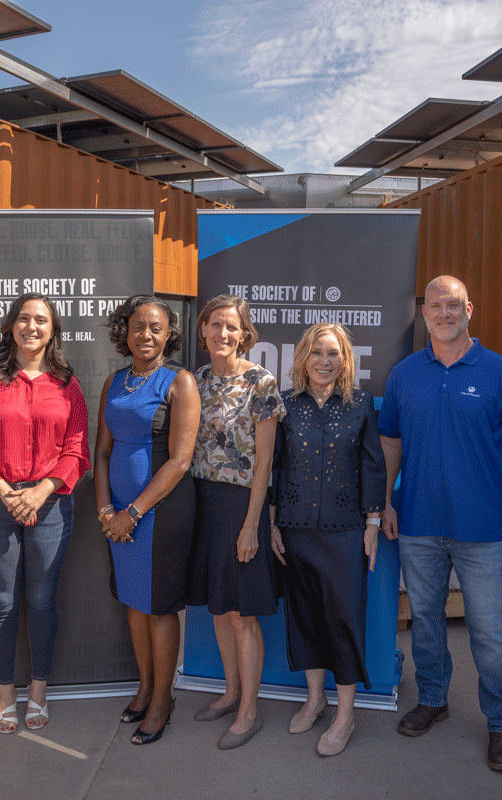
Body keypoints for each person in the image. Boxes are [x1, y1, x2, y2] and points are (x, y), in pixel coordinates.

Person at [378, 275, 502, 773]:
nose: (444, 313)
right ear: (423, 313)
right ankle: (433, 699)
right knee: (425, 621)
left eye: (453, 305)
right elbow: (390, 444)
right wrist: (385, 501)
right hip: (418, 523)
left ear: (470, 309)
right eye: (435, 306)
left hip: (482, 528)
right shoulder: (405, 373)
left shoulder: (499, 372)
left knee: (490, 629)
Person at [0, 293, 91, 734]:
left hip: (50, 507)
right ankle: (5, 696)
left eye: (42, 321)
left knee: (42, 601)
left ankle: (38, 691)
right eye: (25, 319)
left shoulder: (67, 384)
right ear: (11, 325)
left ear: (53, 331)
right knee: (2, 604)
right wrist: (6, 492)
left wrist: (41, 491)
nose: (33, 327)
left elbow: (77, 451)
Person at [269, 323, 386, 757]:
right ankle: (316, 698)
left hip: (344, 531)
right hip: (296, 528)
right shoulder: (286, 405)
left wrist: (373, 523)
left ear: (345, 360)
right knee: (304, 617)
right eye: (316, 352)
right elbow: (276, 466)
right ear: (303, 357)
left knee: (343, 619)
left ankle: (345, 713)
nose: (324, 360)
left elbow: (373, 465)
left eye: (333, 353)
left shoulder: (359, 407)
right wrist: (274, 521)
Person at [94, 295, 200, 746]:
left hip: (160, 512)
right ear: (126, 332)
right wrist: (106, 511)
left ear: (168, 333)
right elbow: (101, 453)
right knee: (135, 604)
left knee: (158, 607)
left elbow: (179, 461)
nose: (146, 335)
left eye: (156, 328)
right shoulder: (114, 382)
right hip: (117, 515)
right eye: (138, 327)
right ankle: (144, 685)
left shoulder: (180, 382)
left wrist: (132, 512)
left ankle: (162, 699)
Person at [187, 294, 285, 750]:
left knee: (244, 614)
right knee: (221, 609)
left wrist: (251, 526)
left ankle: (250, 711)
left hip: (243, 505)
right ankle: (229, 693)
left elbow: (265, 461)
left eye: (232, 327)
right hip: (203, 503)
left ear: (244, 334)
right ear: (202, 330)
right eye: (215, 325)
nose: (223, 334)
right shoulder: (199, 379)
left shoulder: (260, 383)